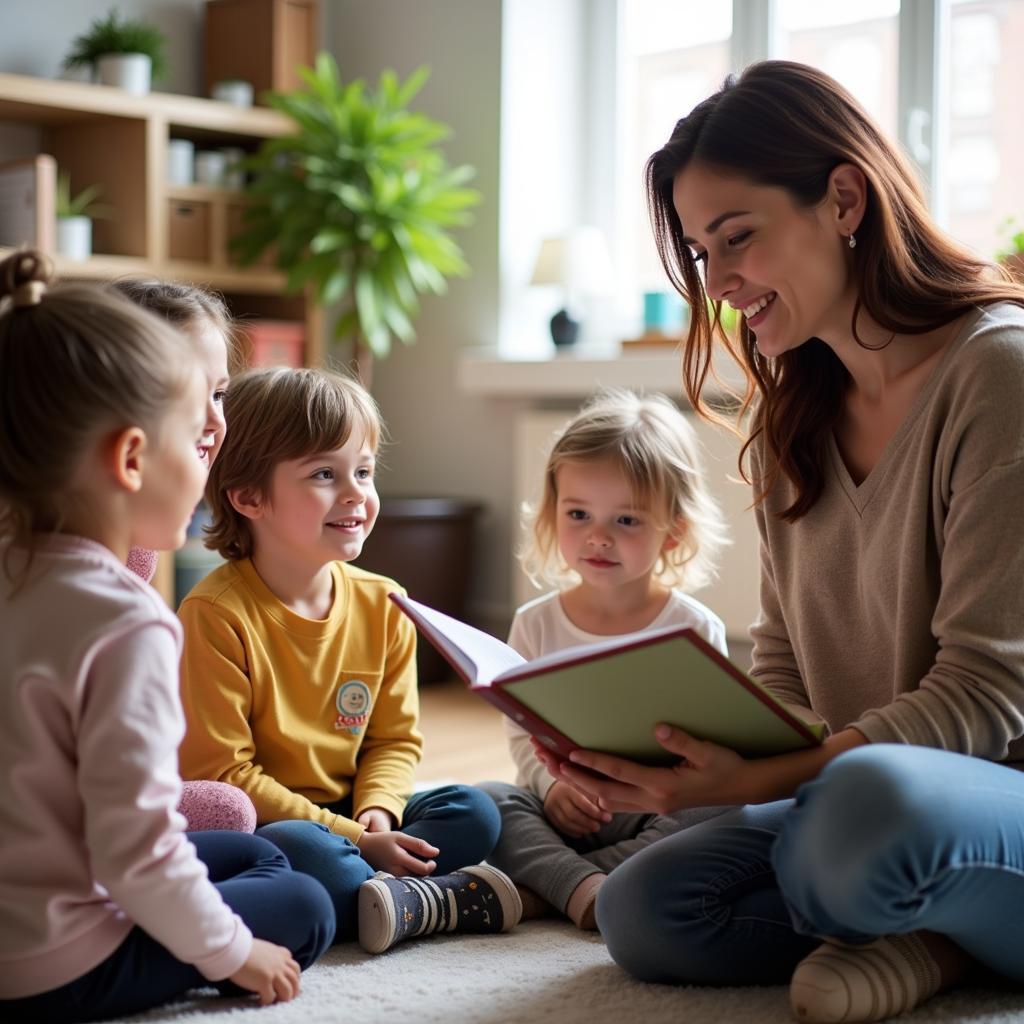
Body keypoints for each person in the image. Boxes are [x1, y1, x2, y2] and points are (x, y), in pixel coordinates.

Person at [530, 60, 1024, 1024]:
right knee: (647, 909)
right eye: (701, 253)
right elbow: (788, 671)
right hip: (853, 795)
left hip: (970, 796)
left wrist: (767, 781)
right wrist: (676, 757)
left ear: (844, 198)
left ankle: (915, 924)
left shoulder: (997, 376)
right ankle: (922, 935)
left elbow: (988, 699)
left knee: (867, 810)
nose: (719, 284)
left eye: (737, 238)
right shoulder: (792, 419)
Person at [0, 251, 335, 1024]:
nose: (210, 454)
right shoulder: (124, 621)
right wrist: (233, 954)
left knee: (252, 855)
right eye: (196, 438)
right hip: (52, 963)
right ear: (130, 458)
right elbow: (137, 849)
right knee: (302, 903)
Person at [176, 365, 521, 955]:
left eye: (363, 471)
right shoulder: (214, 613)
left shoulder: (385, 602)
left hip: (352, 813)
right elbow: (224, 775)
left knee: (475, 812)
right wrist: (355, 838)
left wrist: (380, 815)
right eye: (324, 474)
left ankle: (388, 897)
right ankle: (415, 895)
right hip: (273, 823)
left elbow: (394, 740)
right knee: (312, 860)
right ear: (248, 497)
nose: (356, 492)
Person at [480, 389, 732, 931]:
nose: (597, 536)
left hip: (653, 807)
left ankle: (558, 887)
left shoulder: (693, 627)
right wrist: (553, 790)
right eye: (578, 513)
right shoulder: (535, 622)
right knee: (486, 801)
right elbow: (523, 736)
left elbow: (713, 741)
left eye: (627, 521)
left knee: (727, 809)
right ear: (553, 513)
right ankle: (588, 883)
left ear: (674, 532)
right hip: (564, 811)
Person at [113, 278, 256, 834]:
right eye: (189, 394)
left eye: (220, 393)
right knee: (240, 821)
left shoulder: (137, 544)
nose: (216, 421)